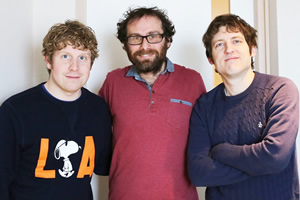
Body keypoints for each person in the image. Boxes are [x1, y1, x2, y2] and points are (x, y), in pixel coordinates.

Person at [187, 13, 299, 200]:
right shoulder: (204, 106)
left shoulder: (280, 90)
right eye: (219, 44)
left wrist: (220, 151)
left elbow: (274, 157)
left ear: (252, 49)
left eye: (236, 41)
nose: (229, 49)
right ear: (211, 60)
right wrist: (261, 166)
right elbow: (198, 172)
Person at [99, 6, 206, 200]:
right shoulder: (112, 82)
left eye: (153, 36)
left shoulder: (192, 80)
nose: (144, 45)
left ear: (168, 41)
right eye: (135, 38)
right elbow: (92, 133)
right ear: (125, 45)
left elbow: (209, 139)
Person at [0, 20, 112, 200]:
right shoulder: (15, 110)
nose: (74, 67)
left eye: (82, 57)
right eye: (65, 56)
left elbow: (103, 166)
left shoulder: (99, 109)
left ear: (91, 64)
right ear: (48, 60)